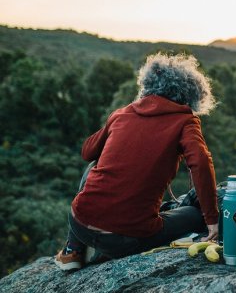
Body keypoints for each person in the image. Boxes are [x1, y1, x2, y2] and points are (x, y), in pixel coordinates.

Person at [54, 53, 220, 271]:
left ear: (147, 84)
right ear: (192, 95)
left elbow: (88, 152)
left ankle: (73, 250)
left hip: (79, 223)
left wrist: (118, 125)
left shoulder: (122, 113)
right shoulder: (185, 120)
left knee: (94, 164)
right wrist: (211, 219)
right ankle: (93, 246)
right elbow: (200, 161)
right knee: (193, 214)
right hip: (125, 239)